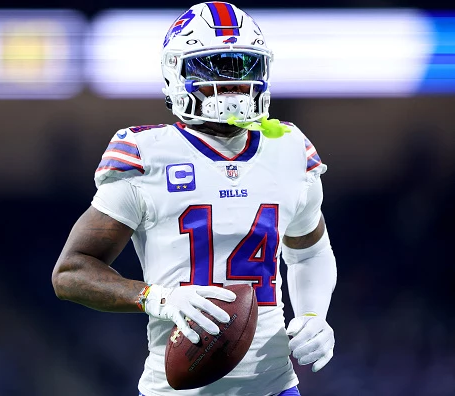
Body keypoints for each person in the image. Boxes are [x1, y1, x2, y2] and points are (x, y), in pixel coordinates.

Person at [52, 2, 337, 395]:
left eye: (244, 67)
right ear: (177, 73)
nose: (234, 84)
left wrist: (314, 315)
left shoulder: (288, 149)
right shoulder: (146, 153)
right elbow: (71, 273)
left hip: (275, 386)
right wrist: (158, 298)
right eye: (217, 67)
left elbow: (309, 253)